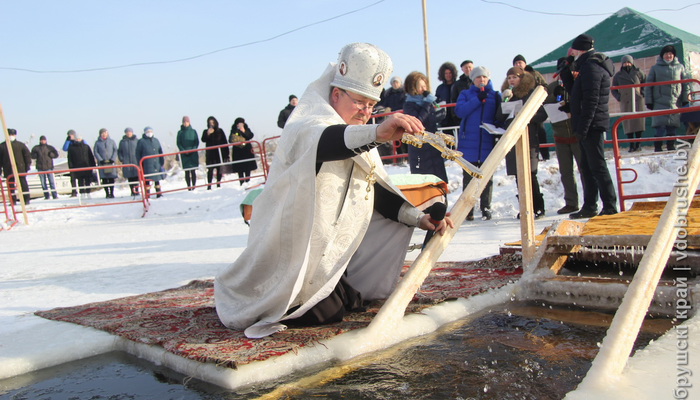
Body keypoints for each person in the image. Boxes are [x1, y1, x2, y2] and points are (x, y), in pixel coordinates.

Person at [214, 42, 452, 338]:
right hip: (284, 254)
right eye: (359, 102)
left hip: (323, 254)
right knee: (329, 311)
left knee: (348, 300)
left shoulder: (360, 133)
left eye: (371, 106)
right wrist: (377, 132)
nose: (366, 113)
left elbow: (372, 188)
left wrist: (419, 219)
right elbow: (329, 141)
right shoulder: (307, 123)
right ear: (336, 94)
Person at [559, 34, 618, 218]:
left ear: (578, 50)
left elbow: (591, 101)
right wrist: (565, 72)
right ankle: (590, 206)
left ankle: (609, 205)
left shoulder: (592, 67)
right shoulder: (586, 66)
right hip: (587, 123)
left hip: (591, 124)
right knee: (587, 167)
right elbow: (578, 93)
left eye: (573, 51)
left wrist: (583, 128)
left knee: (597, 166)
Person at [497, 67, 548, 219]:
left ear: (522, 78)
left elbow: (542, 114)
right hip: (513, 139)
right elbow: (499, 117)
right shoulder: (508, 94)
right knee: (519, 175)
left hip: (529, 138)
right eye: (509, 77)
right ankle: (525, 208)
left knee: (530, 173)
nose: (511, 80)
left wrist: (525, 115)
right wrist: (504, 101)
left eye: (514, 77)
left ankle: (538, 207)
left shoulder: (530, 93)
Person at [454, 66, 499, 221]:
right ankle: (468, 208)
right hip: (469, 142)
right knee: (469, 177)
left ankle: (486, 207)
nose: (482, 80)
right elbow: (459, 111)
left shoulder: (494, 95)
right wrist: (477, 99)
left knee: (487, 177)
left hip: (487, 140)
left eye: (484, 77)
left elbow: (499, 115)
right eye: (478, 77)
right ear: (473, 79)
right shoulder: (465, 94)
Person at [545, 64, 583, 214]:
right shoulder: (553, 86)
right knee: (566, 172)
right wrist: (554, 96)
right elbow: (545, 107)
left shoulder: (578, 83)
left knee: (584, 169)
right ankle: (571, 202)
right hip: (560, 134)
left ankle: (590, 202)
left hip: (576, 135)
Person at [403, 71, 449, 183]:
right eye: (421, 86)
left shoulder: (426, 103)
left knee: (439, 180)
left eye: (425, 86)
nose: (424, 89)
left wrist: (439, 114)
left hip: (433, 146)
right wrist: (427, 105)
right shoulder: (409, 105)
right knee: (424, 181)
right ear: (413, 87)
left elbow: (430, 121)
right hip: (420, 149)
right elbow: (418, 122)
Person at [645, 44, 690, 152]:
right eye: (666, 53)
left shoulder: (680, 67)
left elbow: (685, 85)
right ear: (662, 55)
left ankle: (670, 146)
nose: (668, 56)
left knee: (672, 126)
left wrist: (685, 99)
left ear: (674, 55)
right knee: (659, 127)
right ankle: (658, 147)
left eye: (670, 53)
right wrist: (649, 101)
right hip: (659, 101)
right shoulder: (655, 68)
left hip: (675, 101)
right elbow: (648, 85)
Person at [513, 54, 550, 160]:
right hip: (520, 105)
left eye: (520, 62)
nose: (518, 64)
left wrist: (539, 95)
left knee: (540, 130)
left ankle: (545, 155)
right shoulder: (513, 76)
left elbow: (544, 86)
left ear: (525, 63)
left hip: (535, 104)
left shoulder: (534, 73)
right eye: (516, 63)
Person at [612, 55, 646, 152]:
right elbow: (613, 89)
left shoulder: (638, 72)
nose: (627, 64)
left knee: (639, 122)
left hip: (637, 100)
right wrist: (619, 97)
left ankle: (638, 144)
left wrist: (642, 93)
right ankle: (631, 145)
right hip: (625, 101)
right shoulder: (618, 76)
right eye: (625, 62)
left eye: (629, 62)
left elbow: (645, 83)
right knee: (628, 123)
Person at [0, 129, 32, 204]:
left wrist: (27, 165)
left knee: (23, 184)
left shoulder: (21, 145)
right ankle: (13, 200)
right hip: (8, 169)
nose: (11, 136)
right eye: (10, 135)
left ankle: (26, 199)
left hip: (20, 168)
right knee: (11, 186)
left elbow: (27, 155)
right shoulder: (2, 146)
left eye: (12, 135)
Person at [135, 126, 164, 198]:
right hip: (147, 163)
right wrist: (140, 163)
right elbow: (138, 153)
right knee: (147, 179)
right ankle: (147, 194)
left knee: (157, 179)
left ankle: (159, 192)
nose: (149, 133)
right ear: (145, 133)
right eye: (147, 132)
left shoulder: (156, 140)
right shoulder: (141, 141)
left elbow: (160, 151)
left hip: (156, 162)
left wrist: (162, 161)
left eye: (150, 131)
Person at [201, 116, 228, 189]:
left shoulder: (220, 131)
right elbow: (203, 139)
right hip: (210, 154)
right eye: (210, 123)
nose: (211, 124)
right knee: (210, 169)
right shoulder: (205, 131)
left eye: (213, 122)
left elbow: (225, 142)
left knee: (219, 169)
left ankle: (218, 183)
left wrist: (226, 154)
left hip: (218, 153)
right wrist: (208, 134)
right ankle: (209, 185)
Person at [66, 132, 96, 199]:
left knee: (88, 180)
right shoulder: (71, 148)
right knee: (80, 181)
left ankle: (88, 192)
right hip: (77, 167)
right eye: (76, 139)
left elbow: (90, 156)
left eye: (79, 138)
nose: (78, 140)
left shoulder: (86, 146)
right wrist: (71, 167)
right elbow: (70, 158)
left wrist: (93, 165)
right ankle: (82, 193)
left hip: (86, 166)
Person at [228, 117, 257, 185]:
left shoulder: (246, 128)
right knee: (239, 167)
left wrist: (244, 131)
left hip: (246, 150)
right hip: (238, 151)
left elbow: (250, 135)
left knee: (247, 166)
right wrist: (236, 134)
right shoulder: (233, 130)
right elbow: (230, 139)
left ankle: (248, 180)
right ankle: (241, 182)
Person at [30, 135, 59, 199]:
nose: (43, 141)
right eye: (42, 140)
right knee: (43, 183)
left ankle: (54, 195)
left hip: (49, 167)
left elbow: (56, 155)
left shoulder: (50, 147)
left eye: (44, 140)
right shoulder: (36, 148)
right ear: (40, 141)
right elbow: (31, 155)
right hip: (40, 167)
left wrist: (52, 155)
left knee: (51, 182)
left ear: (46, 140)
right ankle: (46, 196)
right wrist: (34, 155)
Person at [435, 62, 460, 135]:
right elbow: (436, 102)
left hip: (457, 117)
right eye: (446, 73)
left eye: (450, 73)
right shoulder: (440, 88)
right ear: (443, 74)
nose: (448, 75)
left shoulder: (458, 85)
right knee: (448, 141)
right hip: (445, 119)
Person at [93, 128, 118, 198]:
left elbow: (115, 150)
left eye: (105, 133)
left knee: (111, 178)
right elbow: (95, 152)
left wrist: (113, 159)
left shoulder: (112, 141)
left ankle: (112, 193)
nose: (104, 134)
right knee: (104, 179)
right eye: (102, 133)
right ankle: (107, 193)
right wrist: (100, 160)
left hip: (110, 162)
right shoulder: (97, 143)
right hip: (102, 163)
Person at [176, 116, 199, 191]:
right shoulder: (180, 132)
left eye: (187, 122)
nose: (185, 123)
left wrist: (193, 149)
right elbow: (178, 143)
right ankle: (189, 187)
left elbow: (196, 141)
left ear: (189, 122)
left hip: (193, 153)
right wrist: (183, 150)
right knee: (187, 171)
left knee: (193, 170)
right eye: (184, 122)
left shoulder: (193, 131)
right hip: (184, 154)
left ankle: (194, 186)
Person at [118, 127, 140, 196]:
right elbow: (119, 151)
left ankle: (137, 190)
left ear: (132, 132)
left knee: (136, 177)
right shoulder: (122, 142)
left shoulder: (137, 140)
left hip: (135, 161)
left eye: (130, 132)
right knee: (130, 178)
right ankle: (132, 191)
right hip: (127, 162)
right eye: (127, 132)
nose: (128, 133)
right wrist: (121, 159)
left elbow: (140, 150)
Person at [62, 129, 82, 197]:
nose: (70, 136)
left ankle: (82, 190)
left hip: (79, 162)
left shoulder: (80, 140)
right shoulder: (69, 142)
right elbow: (64, 148)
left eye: (71, 135)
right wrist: (67, 141)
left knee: (80, 177)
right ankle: (74, 191)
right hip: (71, 162)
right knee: (72, 178)